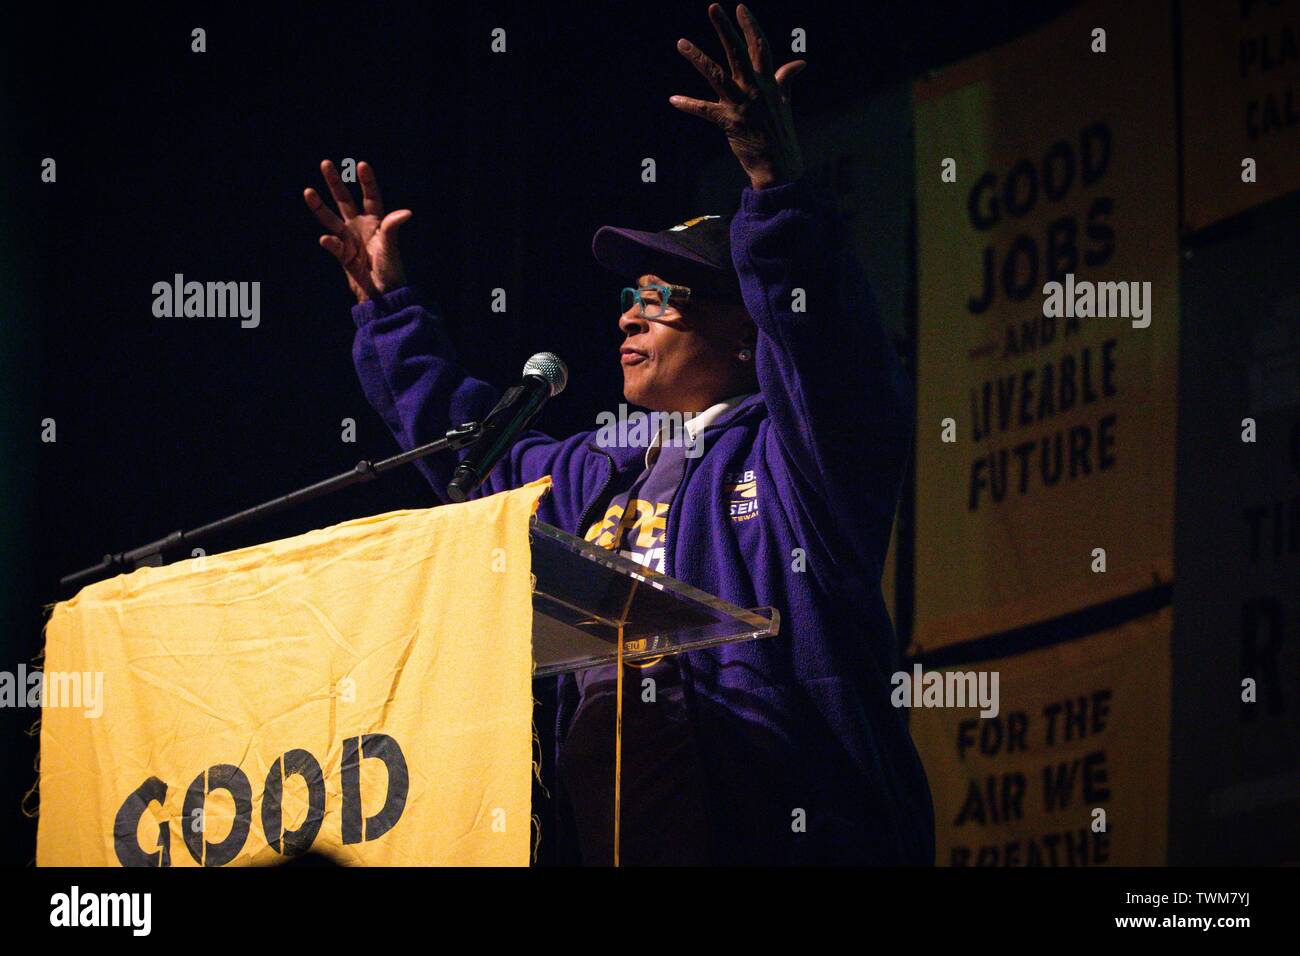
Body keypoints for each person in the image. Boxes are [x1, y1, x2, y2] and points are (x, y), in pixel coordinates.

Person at [304, 3, 934, 865]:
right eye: (627, 296)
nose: (629, 316)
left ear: (747, 332)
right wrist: (386, 308)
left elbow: (827, 348)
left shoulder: (797, 460)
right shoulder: (595, 471)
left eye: (662, 295)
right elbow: (467, 450)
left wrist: (772, 187)